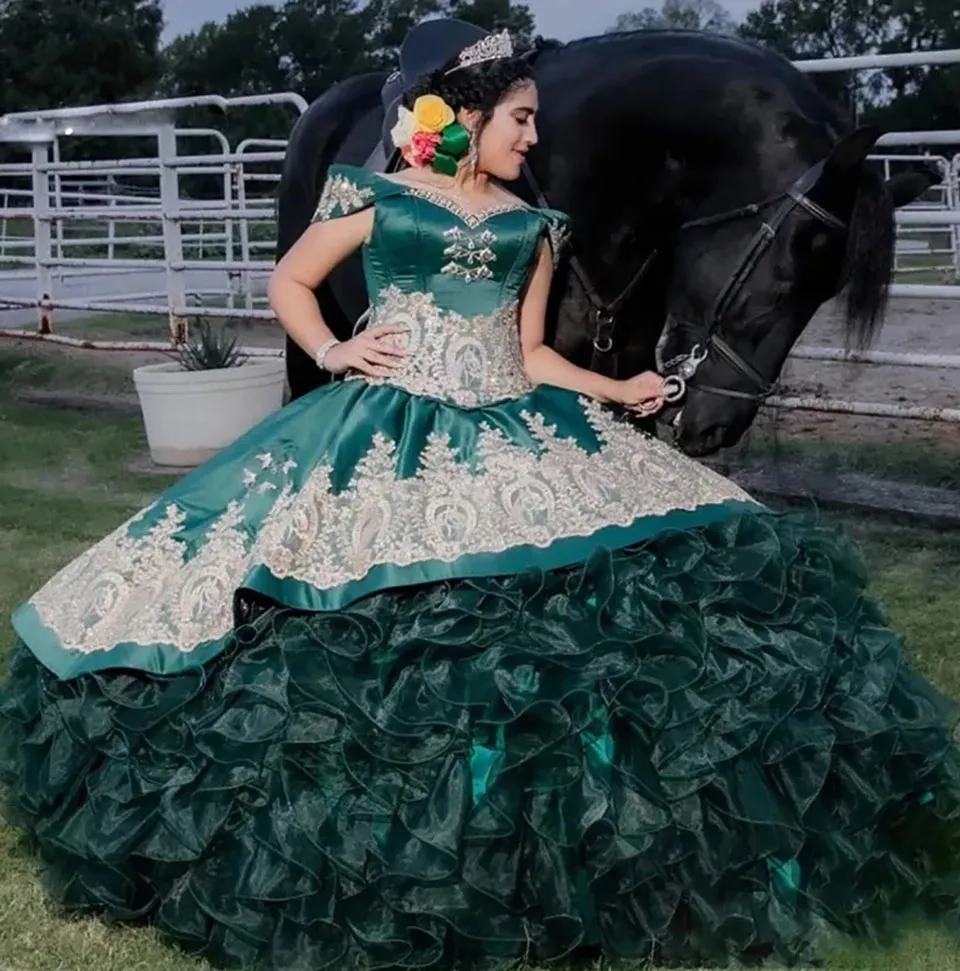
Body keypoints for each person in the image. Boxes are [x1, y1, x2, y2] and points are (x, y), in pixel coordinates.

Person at [2, 25, 960, 971]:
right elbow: (292, 277)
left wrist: (617, 390)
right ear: (467, 117)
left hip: (511, 419)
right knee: (320, 589)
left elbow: (532, 351)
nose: (535, 137)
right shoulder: (379, 197)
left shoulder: (533, 228)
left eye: (535, 120)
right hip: (388, 421)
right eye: (521, 118)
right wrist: (334, 350)